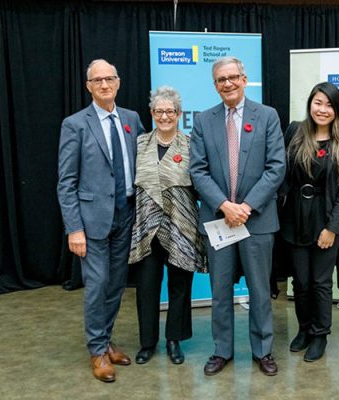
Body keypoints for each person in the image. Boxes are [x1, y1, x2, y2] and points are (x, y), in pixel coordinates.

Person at [189, 56, 286, 376]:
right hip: (219, 221)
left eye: (233, 77)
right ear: (215, 85)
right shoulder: (203, 120)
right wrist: (224, 205)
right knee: (220, 290)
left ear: (244, 79)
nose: (228, 84)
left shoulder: (267, 116)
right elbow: (198, 171)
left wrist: (246, 206)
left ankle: (263, 350)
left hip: (257, 219)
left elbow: (276, 167)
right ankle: (221, 350)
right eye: (221, 80)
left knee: (259, 290)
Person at [57, 59, 145, 382]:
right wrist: (74, 228)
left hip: (126, 214)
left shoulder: (132, 119)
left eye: (109, 78)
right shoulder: (75, 124)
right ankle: (97, 351)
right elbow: (65, 181)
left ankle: (106, 341)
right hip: (91, 221)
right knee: (96, 286)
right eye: (98, 80)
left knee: (117, 284)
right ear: (89, 87)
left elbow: (145, 160)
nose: (104, 85)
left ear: (118, 82)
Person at [128, 86, 206, 365]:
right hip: (147, 229)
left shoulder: (191, 144)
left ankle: (175, 340)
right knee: (147, 287)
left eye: (169, 111)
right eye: (159, 111)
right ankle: (147, 343)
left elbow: (201, 183)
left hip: (181, 227)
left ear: (178, 114)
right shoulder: (138, 144)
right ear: (151, 113)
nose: (164, 116)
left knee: (179, 287)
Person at [280, 82, 339, 362]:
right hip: (295, 218)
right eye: (318, 103)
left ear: (337, 110)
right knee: (300, 281)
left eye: (329, 105)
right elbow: (281, 173)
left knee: (320, 282)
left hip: (326, 219)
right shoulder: (295, 131)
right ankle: (304, 330)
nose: (322, 110)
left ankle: (321, 334)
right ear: (310, 103)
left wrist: (333, 228)